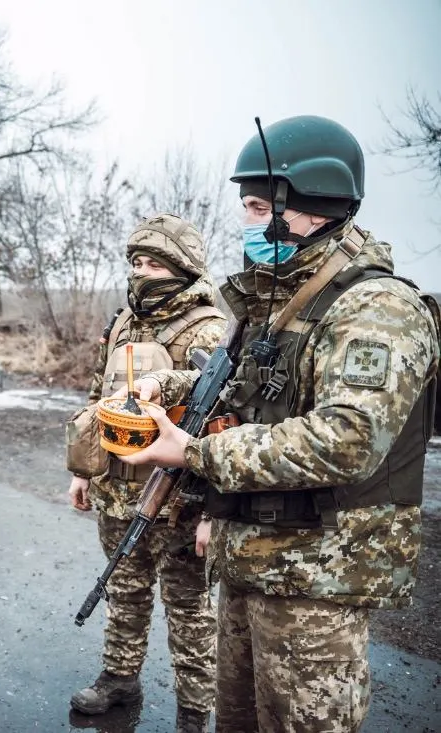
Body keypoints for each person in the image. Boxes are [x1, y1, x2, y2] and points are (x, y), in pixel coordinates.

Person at [119, 116, 441, 732]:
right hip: (251, 559)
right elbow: (249, 389)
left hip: (317, 579)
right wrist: (173, 388)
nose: (248, 221)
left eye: (258, 206)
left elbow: (348, 440)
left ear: (313, 204)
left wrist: (196, 454)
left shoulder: (375, 307)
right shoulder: (274, 302)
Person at [66, 214, 225, 733]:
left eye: (154, 262)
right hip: (117, 492)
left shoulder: (210, 330)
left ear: (181, 266)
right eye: (136, 262)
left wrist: (214, 514)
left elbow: (227, 425)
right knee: (125, 592)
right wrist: (84, 470)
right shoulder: (122, 323)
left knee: (190, 610)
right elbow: (97, 398)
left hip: (183, 498)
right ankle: (119, 678)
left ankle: (196, 709)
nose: (141, 272)